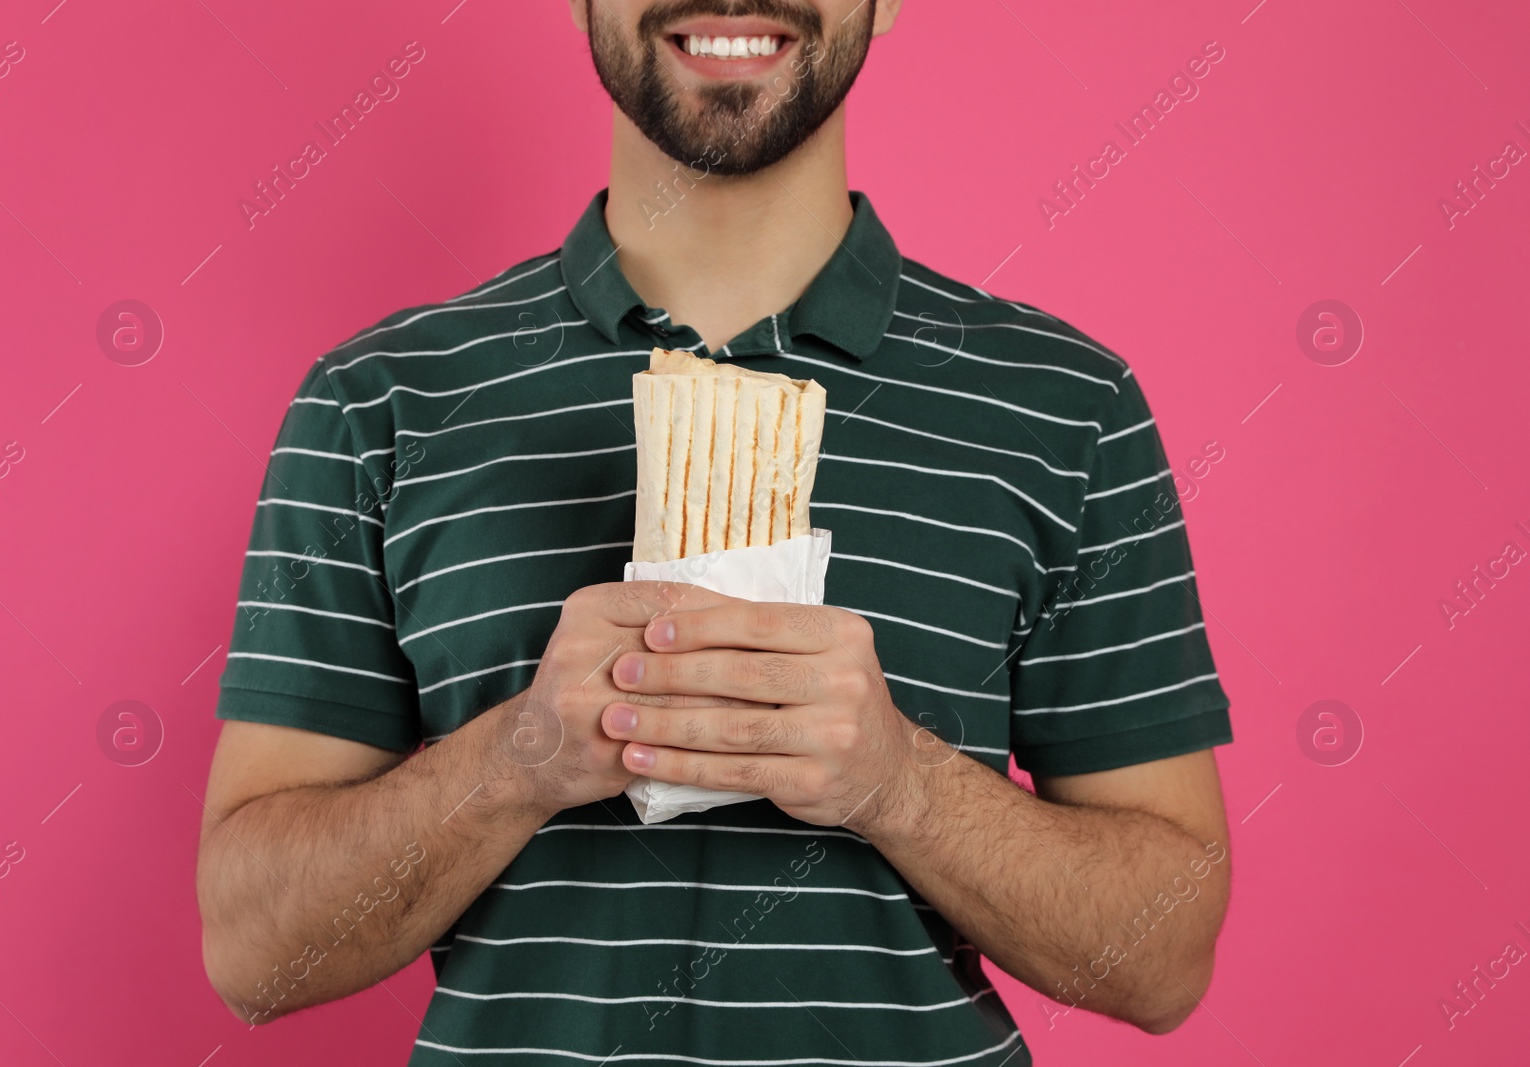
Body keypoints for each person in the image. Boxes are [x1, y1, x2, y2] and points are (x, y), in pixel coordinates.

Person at [195, 2, 1235, 1063]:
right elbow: (250, 947)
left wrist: (895, 781)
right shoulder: (383, 401)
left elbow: (1163, 962)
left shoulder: (1065, 406)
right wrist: (516, 759)